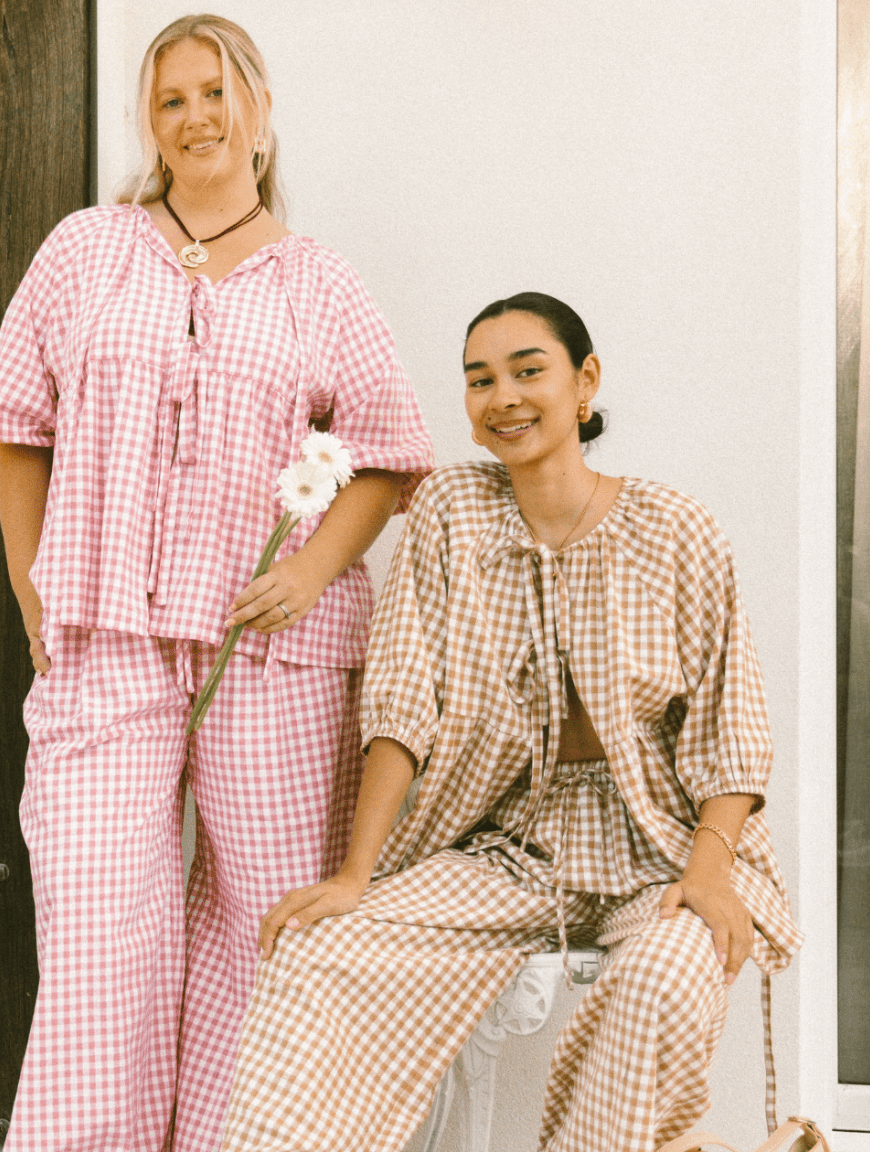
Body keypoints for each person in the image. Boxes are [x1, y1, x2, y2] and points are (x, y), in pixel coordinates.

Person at [0, 14, 434, 1152]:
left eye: (215, 93)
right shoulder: (84, 250)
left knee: (265, 922)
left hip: (271, 651)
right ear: (149, 121)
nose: (195, 118)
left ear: (260, 111)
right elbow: (18, 431)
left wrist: (309, 571)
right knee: (96, 926)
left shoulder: (319, 282)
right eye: (171, 99)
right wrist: (35, 594)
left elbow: (387, 455)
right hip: (106, 641)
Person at [218, 292, 803, 1152]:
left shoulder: (676, 528)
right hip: (509, 850)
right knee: (318, 950)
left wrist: (710, 876)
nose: (504, 397)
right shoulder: (449, 511)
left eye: (529, 371)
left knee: (668, 977)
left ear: (585, 381)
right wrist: (356, 875)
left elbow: (731, 732)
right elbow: (402, 703)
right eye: (480, 380)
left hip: (664, 848)